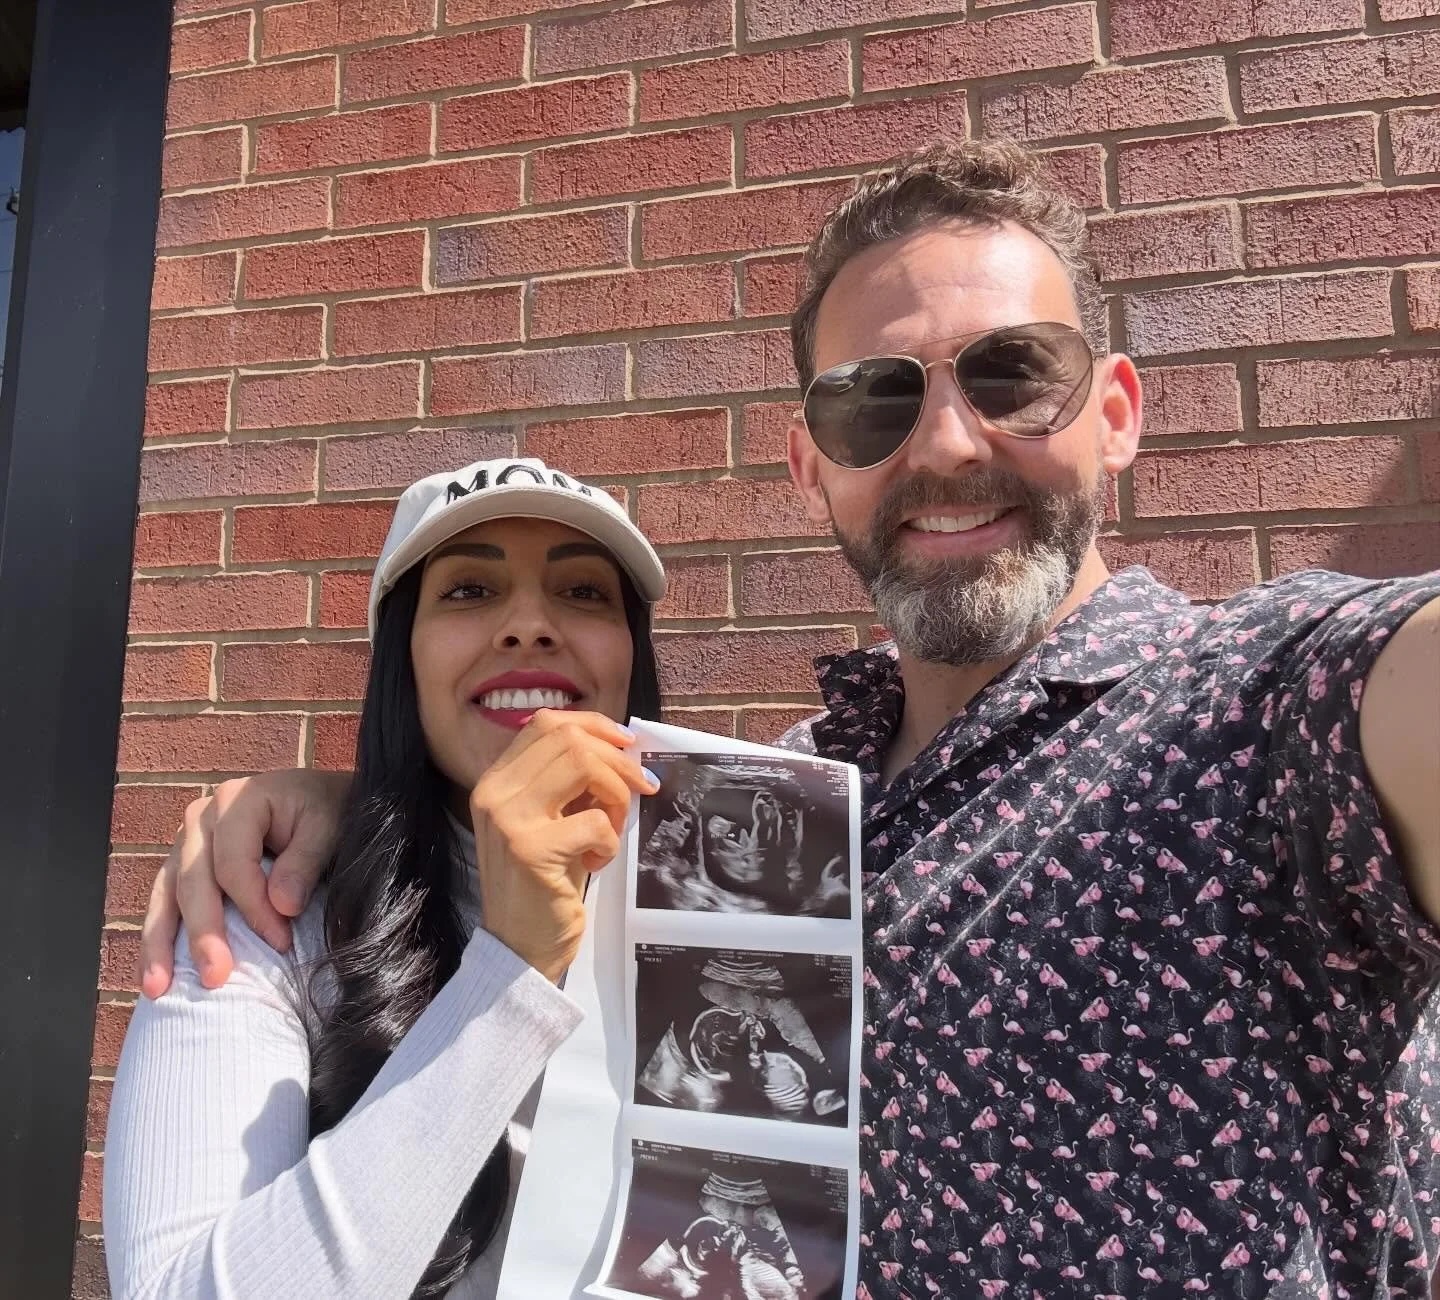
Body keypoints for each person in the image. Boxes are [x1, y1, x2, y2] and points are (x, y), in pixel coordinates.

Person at [137, 139, 1440, 1296]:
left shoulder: (1261, 707)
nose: (947, 444)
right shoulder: (774, 814)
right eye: (875, 398)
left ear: (1116, 414)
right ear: (813, 464)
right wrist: (358, 809)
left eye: (1013, 375)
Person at [103, 456, 668, 1299]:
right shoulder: (267, 917)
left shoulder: (743, 908)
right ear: (403, 662)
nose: (529, 624)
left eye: (584, 592)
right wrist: (508, 974)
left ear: (632, 658)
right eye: (469, 590)